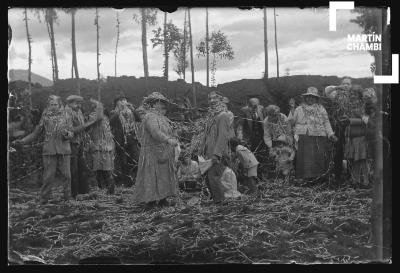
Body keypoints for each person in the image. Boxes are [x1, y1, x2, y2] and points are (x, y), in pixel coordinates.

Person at [12, 95, 74, 204]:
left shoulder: (67, 116)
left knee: (67, 176)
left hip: (64, 149)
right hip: (49, 150)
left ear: (59, 105)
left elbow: (71, 132)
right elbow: (36, 133)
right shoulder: (45, 117)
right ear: (48, 105)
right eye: (51, 105)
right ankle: (44, 199)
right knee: (48, 176)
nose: (53, 107)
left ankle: (67, 198)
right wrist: (23, 141)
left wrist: (67, 134)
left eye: (55, 104)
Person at [132, 92, 179, 208]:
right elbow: (155, 132)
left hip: (163, 152)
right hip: (152, 153)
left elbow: (167, 131)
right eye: (161, 102)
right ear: (154, 103)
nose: (163, 105)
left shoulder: (162, 118)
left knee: (163, 176)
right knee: (152, 176)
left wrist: (174, 135)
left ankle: (163, 198)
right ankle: (151, 201)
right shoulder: (150, 117)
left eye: (163, 102)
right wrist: (168, 139)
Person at [325, 77, 369, 187]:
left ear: (351, 86)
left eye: (348, 84)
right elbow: (327, 91)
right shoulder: (336, 95)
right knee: (338, 152)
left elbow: (365, 111)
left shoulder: (355, 97)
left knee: (351, 152)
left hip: (351, 127)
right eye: (344, 83)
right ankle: (337, 177)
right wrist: (337, 87)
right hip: (339, 127)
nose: (345, 86)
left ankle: (351, 177)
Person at [289, 87, 337, 182]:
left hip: (319, 136)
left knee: (318, 157)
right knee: (305, 158)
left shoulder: (321, 109)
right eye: (308, 97)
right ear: (305, 98)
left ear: (316, 99)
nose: (310, 99)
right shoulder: (299, 109)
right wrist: (292, 109)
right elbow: (291, 122)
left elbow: (326, 122)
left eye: (313, 97)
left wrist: (330, 134)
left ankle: (319, 177)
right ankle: (306, 178)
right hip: (304, 136)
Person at [65, 95, 95, 199]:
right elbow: (72, 130)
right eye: (76, 103)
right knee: (74, 169)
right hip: (71, 144)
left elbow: (83, 130)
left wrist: (90, 123)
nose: (79, 105)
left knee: (82, 168)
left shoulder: (78, 112)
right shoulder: (67, 113)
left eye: (80, 103)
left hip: (79, 143)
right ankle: (74, 194)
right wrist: (87, 124)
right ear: (69, 103)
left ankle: (84, 192)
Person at [109, 93, 140, 187]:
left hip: (132, 139)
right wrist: (118, 110)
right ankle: (127, 182)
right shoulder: (114, 112)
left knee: (137, 159)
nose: (124, 102)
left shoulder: (131, 111)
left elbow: (139, 119)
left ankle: (137, 180)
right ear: (117, 103)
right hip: (121, 142)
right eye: (121, 100)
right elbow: (111, 122)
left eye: (124, 100)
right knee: (124, 163)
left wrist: (133, 109)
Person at [87, 98, 116, 194]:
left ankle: (111, 189)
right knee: (98, 169)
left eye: (99, 108)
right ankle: (101, 189)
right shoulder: (92, 117)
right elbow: (98, 118)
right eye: (95, 108)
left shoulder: (107, 118)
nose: (97, 109)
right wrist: (98, 104)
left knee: (108, 169)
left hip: (107, 147)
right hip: (97, 147)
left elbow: (109, 132)